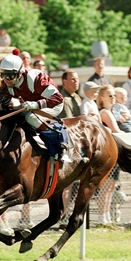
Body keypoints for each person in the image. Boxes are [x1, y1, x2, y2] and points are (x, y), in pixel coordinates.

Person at [0, 49, 64, 229]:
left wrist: (35, 104)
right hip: (30, 106)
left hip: (52, 106)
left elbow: (57, 98)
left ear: (19, 72)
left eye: (10, 75)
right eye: (4, 75)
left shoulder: (35, 78)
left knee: (29, 117)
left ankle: (59, 143)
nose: (7, 79)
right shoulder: (7, 82)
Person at [96, 85, 124, 228]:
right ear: (102, 97)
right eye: (110, 95)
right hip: (108, 153)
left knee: (111, 187)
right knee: (106, 187)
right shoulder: (105, 112)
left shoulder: (112, 112)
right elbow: (116, 131)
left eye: (114, 95)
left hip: (113, 152)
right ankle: (102, 217)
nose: (113, 98)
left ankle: (106, 216)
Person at [58, 70, 82, 229]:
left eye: (77, 79)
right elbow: (68, 123)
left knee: (73, 185)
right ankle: (62, 217)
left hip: (79, 144)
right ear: (64, 81)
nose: (76, 81)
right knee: (67, 184)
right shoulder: (63, 99)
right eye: (72, 79)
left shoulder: (77, 98)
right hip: (68, 144)